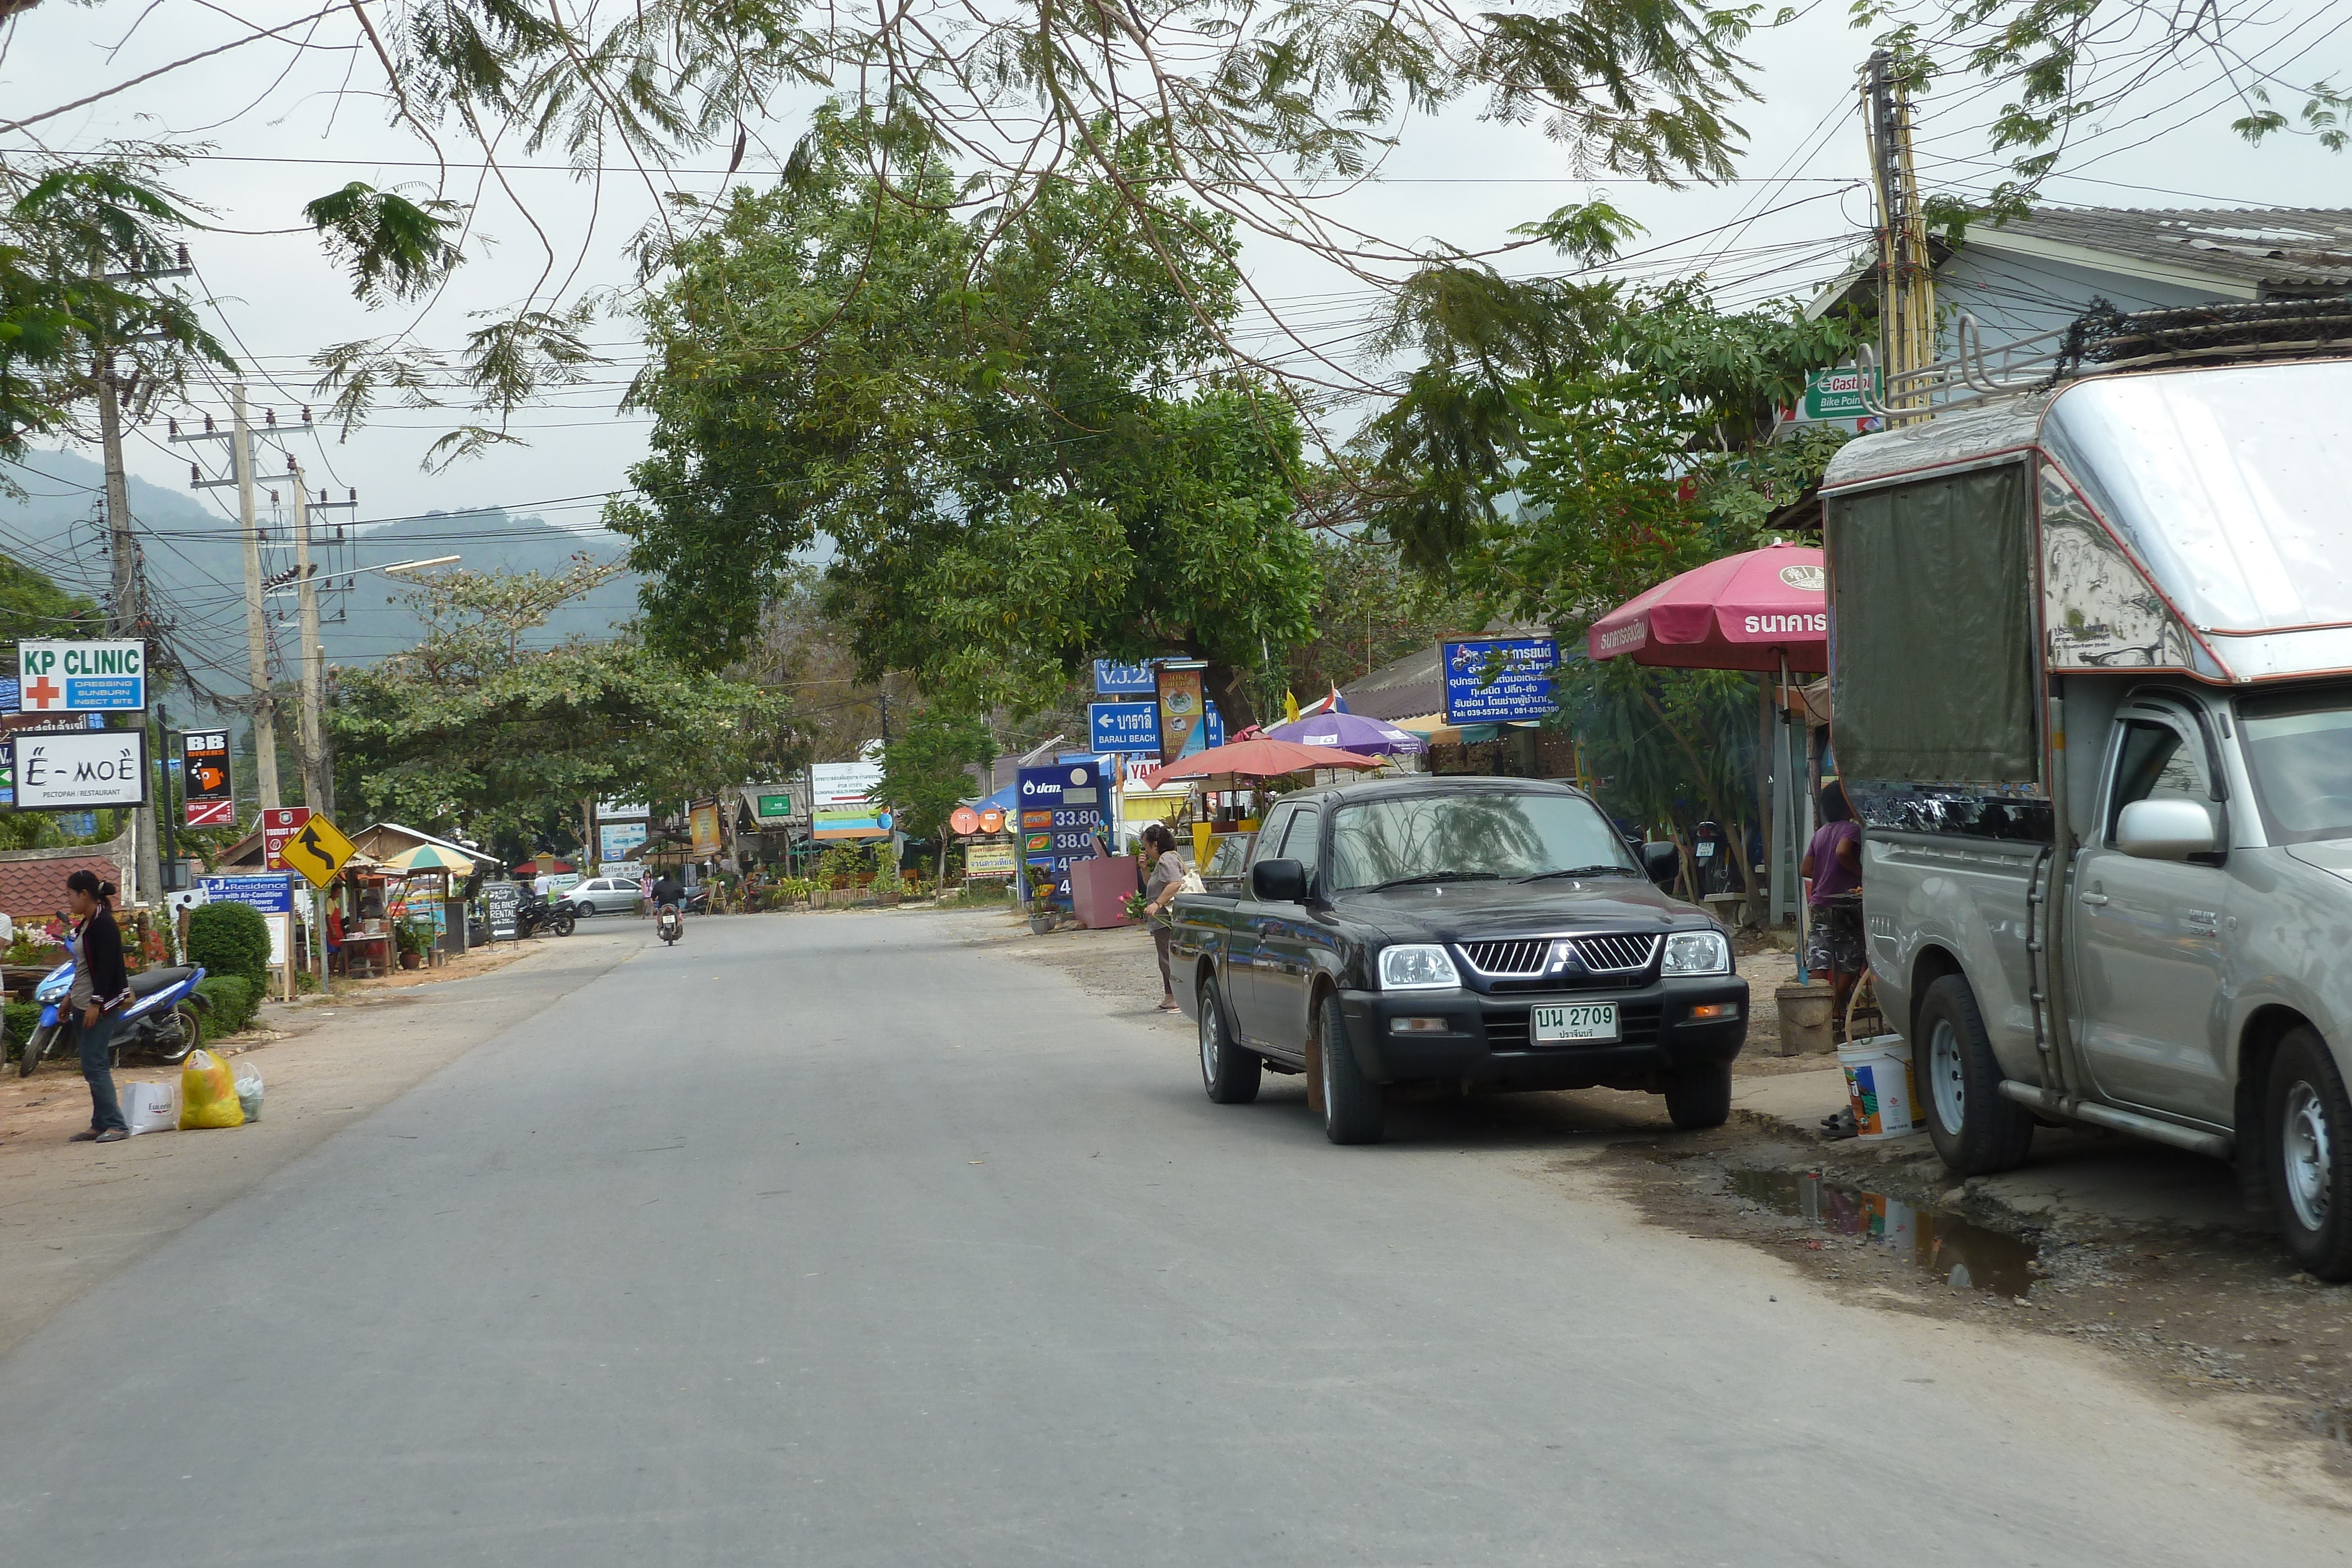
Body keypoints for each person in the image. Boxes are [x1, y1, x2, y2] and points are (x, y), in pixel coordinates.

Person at [63, 870, 131, 1145]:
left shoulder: (104, 925)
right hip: (81, 1000)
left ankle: (116, 1124)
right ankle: (99, 1123)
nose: (68, 901)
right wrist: (69, 997)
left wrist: (96, 1003)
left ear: (84, 895)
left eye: (70, 895)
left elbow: (106, 968)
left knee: (95, 1063)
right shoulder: (87, 924)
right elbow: (83, 967)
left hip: (99, 1004)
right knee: (91, 1064)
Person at [1799, 781, 1866, 1029]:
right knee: (1851, 955)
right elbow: (1842, 852)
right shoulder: (1851, 830)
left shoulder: (1821, 833)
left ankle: (1816, 1011)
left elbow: (1805, 869)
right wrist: (1860, 875)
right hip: (1844, 904)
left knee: (1819, 956)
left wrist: (1825, 879)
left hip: (1819, 903)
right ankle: (1835, 1006)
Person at [1138, 823, 1187, 1014]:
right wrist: (1144, 869)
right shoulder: (1163, 861)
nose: (1146, 851)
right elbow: (1153, 884)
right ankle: (1169, 996)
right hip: (1161, 920)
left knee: (1168, 958)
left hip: (1167, 919)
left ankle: (1177, 998)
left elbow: (1175, 883)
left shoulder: (1166, 859)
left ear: (1155, 845)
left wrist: (1157, 904)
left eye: (1146, 846)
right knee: (1164, 957)